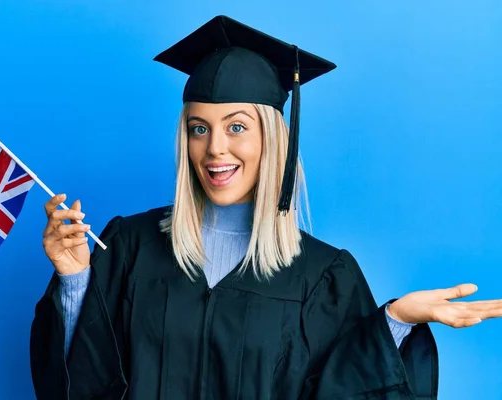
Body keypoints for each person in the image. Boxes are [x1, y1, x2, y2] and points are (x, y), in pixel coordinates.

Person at [30, 15, 502, 400]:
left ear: (274, 139)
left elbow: (342, 389)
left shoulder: (323, 275)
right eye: (199, 128)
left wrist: (395, 322)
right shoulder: (129, 246)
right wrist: (74, 281)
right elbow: (79, 384)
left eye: (237, 127)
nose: (215, 148)